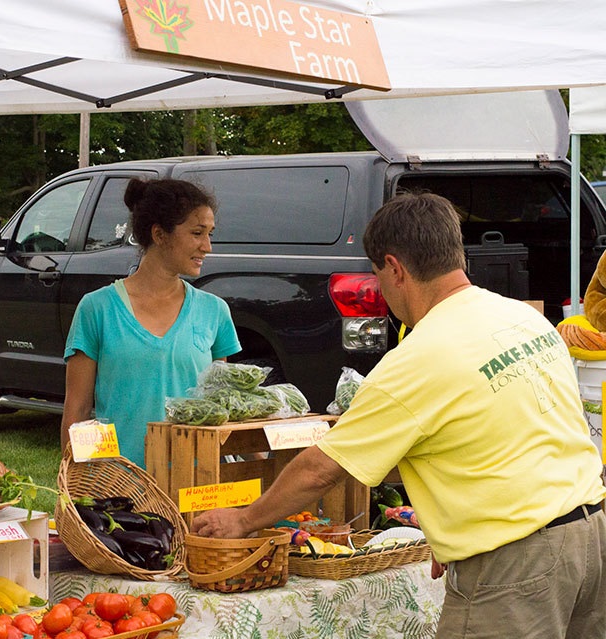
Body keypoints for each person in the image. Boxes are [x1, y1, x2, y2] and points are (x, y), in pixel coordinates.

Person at [192, 192, 606, 639]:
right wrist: (452, 527)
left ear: (394, 268)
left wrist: (245, 519)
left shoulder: (419, 357)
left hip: (515, 562)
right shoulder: (522, 318)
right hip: (592, 537)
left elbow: (319, 470)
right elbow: (518, 430)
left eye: (376, 275)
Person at [61, 178, 241, 466]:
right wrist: (82, 483)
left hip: (196, 489)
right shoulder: (97, 309)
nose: (207, 246)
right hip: (120, 493)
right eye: (197, 233)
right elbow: (79, 409)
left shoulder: (214, 311)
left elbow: (220, 407)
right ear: (159, 234)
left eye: (209, 234)